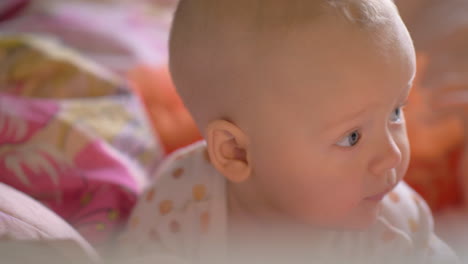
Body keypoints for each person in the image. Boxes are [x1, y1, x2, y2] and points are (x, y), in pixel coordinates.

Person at [120, 0, 459, 263]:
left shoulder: (395, 229)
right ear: (235, 152)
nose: (393, 156)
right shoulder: (178, 209)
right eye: (351, 137)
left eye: (396, 111)